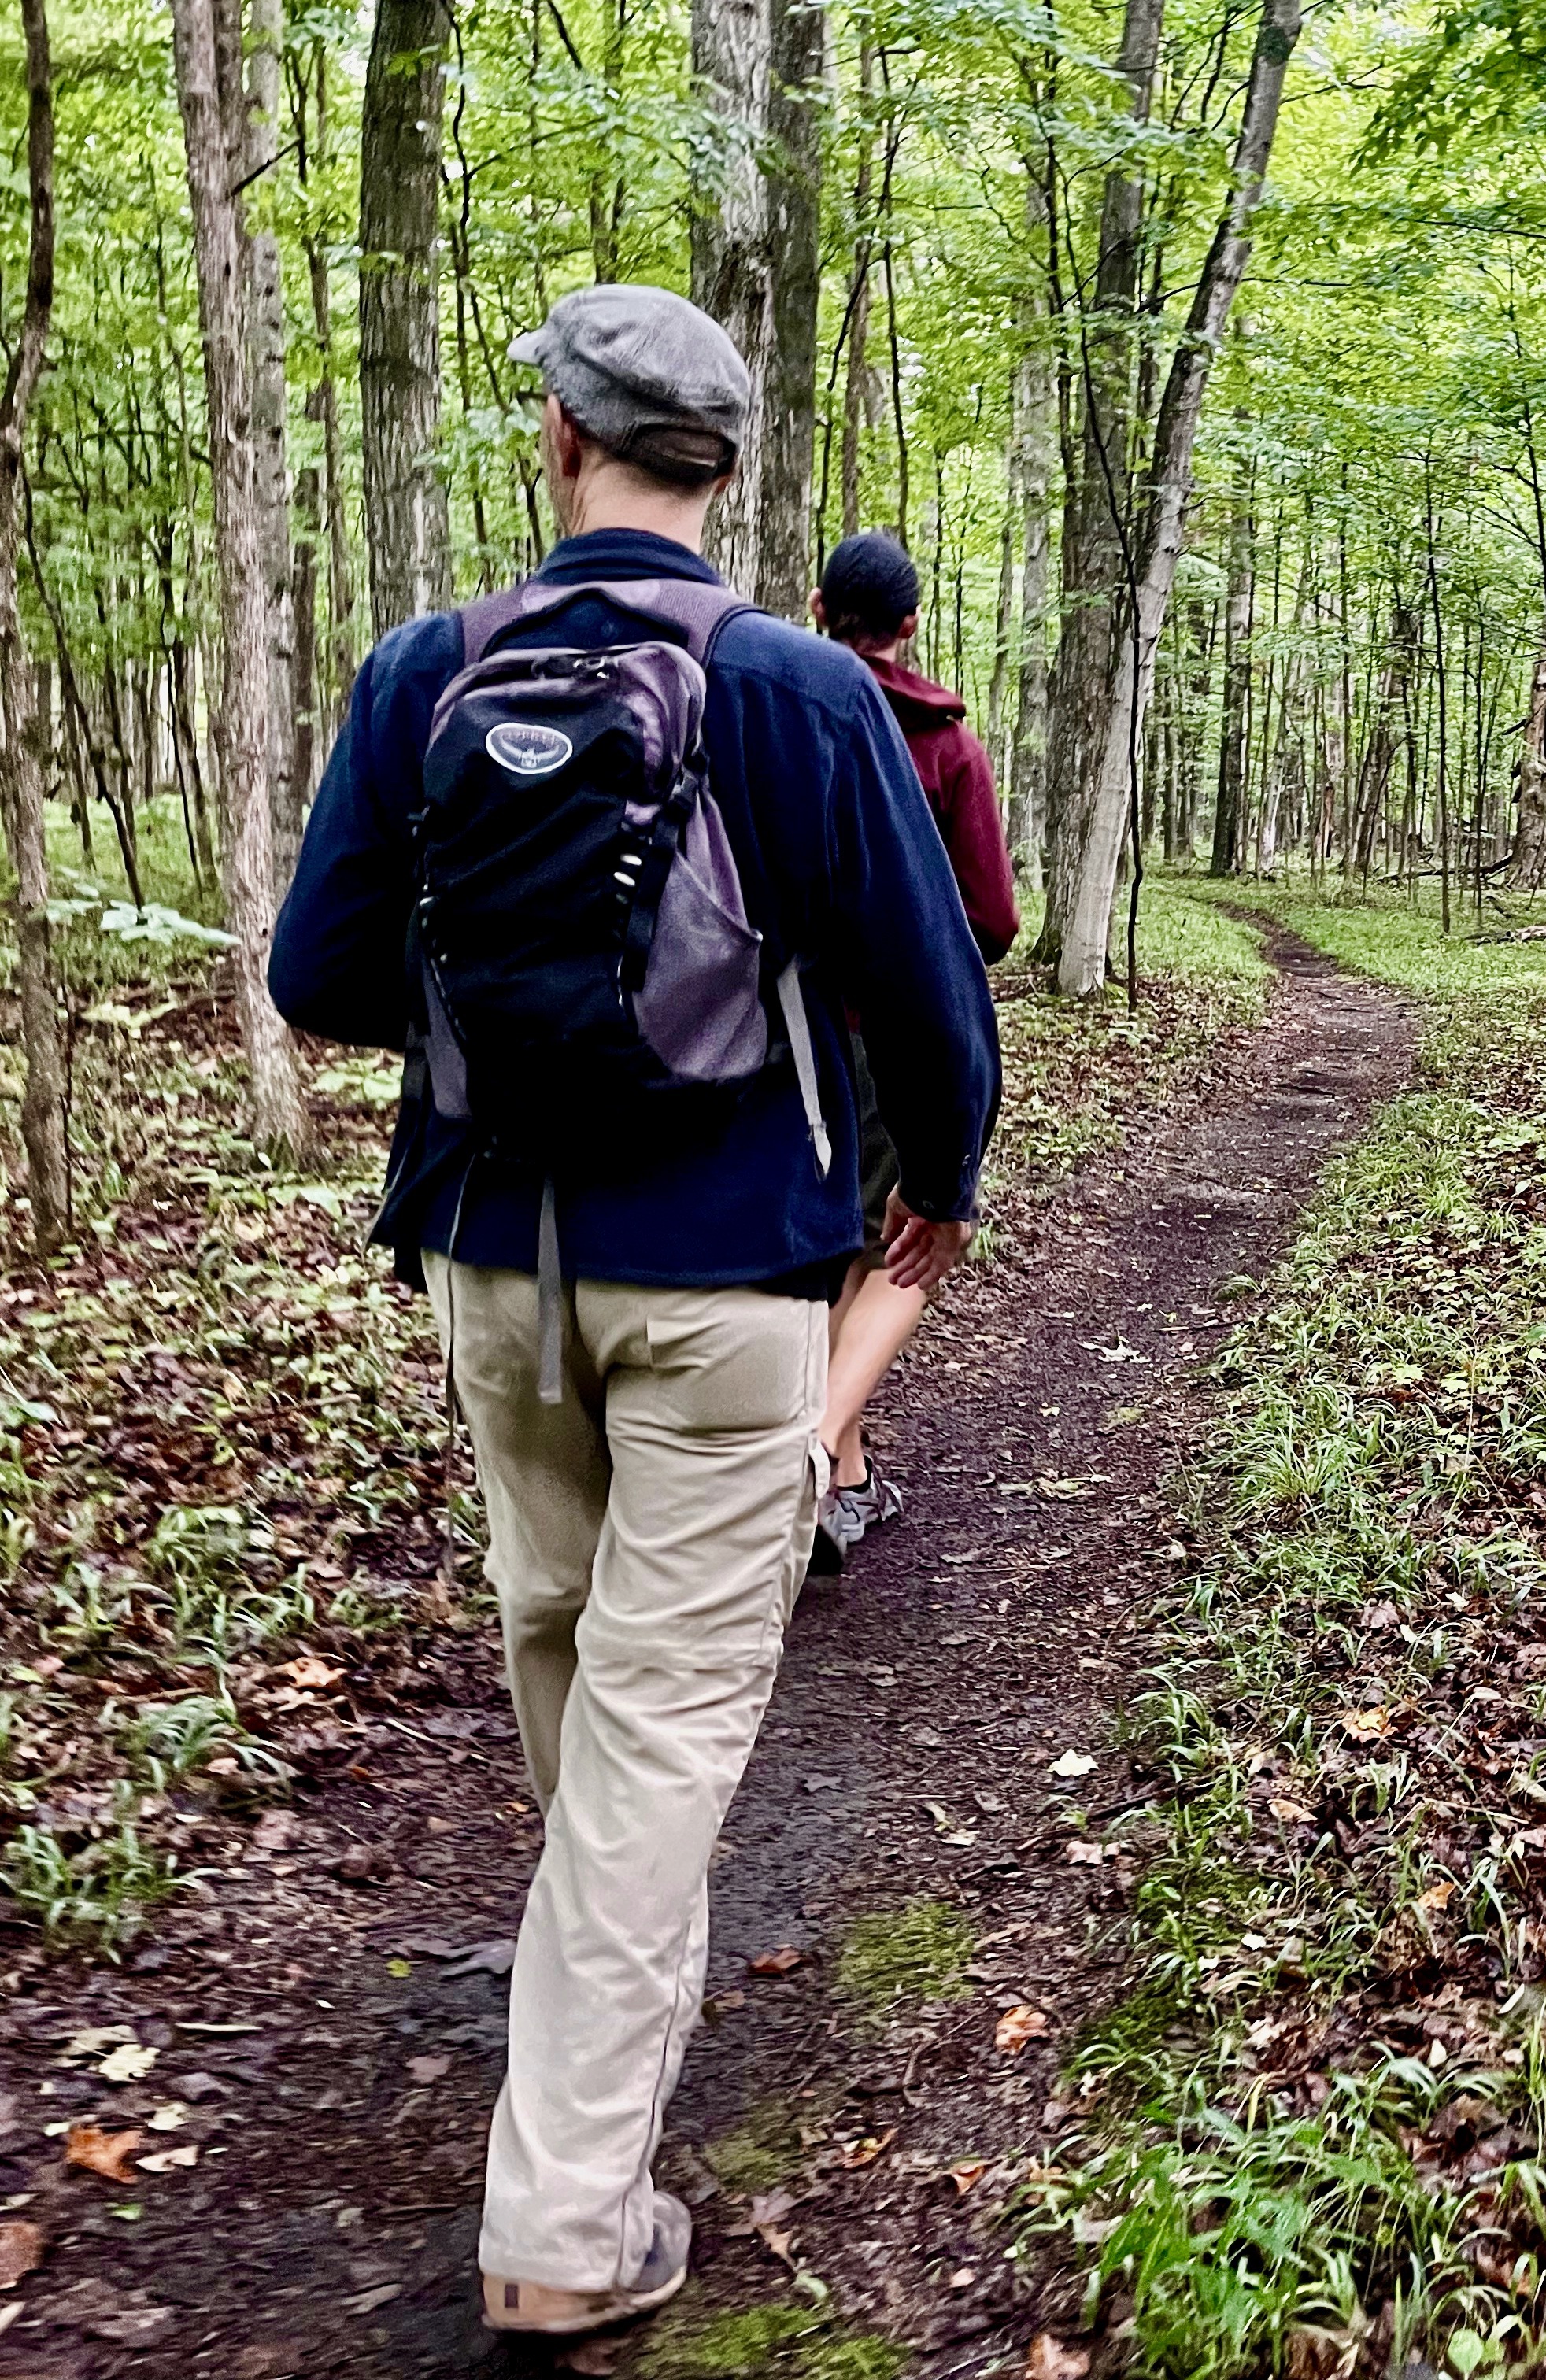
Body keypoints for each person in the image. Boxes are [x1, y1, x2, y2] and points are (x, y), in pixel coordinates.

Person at [267, 284, 1000, 2340]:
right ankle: (570, 2223)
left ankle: (593, 2036)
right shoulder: (799, 693)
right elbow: (933, 991)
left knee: (572, 1659)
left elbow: (318, 975)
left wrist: (489, 995)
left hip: (494, 1262)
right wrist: (938, 1182)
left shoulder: (423, 672)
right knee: (658, 1734)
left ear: (561, 441)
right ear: (726, 469)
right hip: (729, 1272)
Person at [806, 529, 1019, 1571]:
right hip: (895, 1034)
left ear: (817, 611)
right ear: (912, 624)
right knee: (910, 1241)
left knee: (827, 1248)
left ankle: (842, 1477)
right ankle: (809, 1464)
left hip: (778, 1033)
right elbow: (994, 920)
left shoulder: (778, 717)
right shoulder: (945, 747)